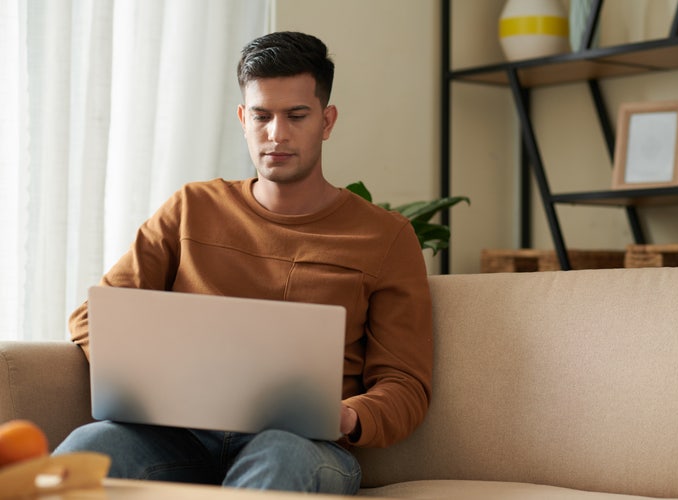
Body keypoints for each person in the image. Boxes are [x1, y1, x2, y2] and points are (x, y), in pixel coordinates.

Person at [53, 31, 433, 495]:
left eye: (296, 116)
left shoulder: (386, 237)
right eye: (262, 116)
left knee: (281, 454)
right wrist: (153, 379)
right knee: (91, 445)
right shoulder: (192, 207)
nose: (277, 134)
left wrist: (350, 415)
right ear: (242, 118)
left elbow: (405, 383)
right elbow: (94, 315)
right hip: (180, 437)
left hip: (303, 445)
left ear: (327, 121)